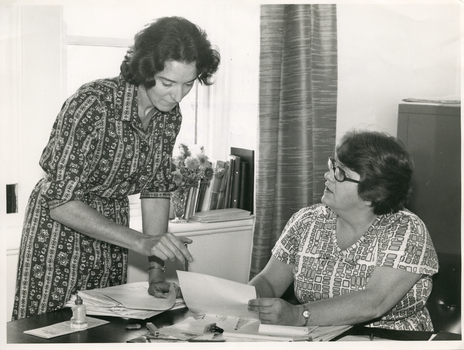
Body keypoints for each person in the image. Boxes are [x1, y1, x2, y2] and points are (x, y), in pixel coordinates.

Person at [12, 16, 220, 320]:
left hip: (112, 233)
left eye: (188, 84)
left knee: (103, 326)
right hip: (59, 235)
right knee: (52, 328)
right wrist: (142, 241)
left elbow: (156, 189)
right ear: (146, 70)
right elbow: (59, 201)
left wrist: (155, 271)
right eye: (167, 83)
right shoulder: (93, 104)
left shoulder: (169, 116)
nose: (177, 96)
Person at [248, 130, 438, 331]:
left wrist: (297, 314)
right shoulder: (307, 220)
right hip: (316, 336)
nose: (328, 175)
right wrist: (243, 301)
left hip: (388, 339)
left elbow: (373, 303)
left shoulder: (407, 231)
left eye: (340, 173)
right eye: (333, 165)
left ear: (372, 193)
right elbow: (269, 282)